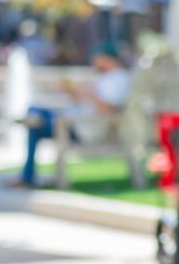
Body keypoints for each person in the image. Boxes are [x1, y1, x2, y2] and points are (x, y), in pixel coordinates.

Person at [13, 42, 131, 187]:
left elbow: (108, 109)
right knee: (35, 115)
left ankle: (27, 176)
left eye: (97, 57)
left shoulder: (119, 79)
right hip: (78, 122)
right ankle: (32, 122)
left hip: (85, 129)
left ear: (107, 58)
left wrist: (84, 91)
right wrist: (72, 90)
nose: (94, 61)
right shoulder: (105, 78)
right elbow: (85, 105)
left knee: (35, 121)